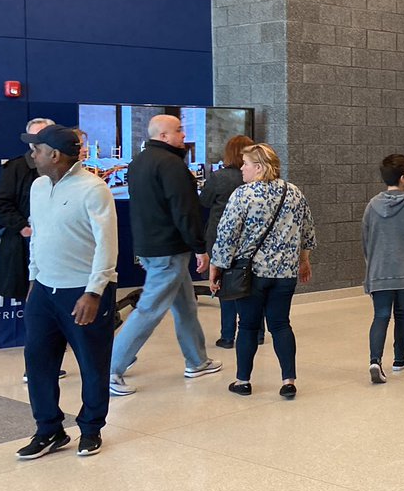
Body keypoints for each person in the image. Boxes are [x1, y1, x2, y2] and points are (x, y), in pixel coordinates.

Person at [15, 125, 118, 459]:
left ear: (55, 155)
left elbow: (107, 245)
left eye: (37, 149)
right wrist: (33, 279)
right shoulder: (38, 186)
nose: (33, 154)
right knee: (38, 362)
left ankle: (91, 429)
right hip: (44, 289)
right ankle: (49, 430)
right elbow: (40, 237)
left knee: (92, 363)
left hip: (83, 291)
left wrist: (94, 292)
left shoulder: (94, 189)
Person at [109, 114, 221, 396]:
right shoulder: (172, 166)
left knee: (185, 306)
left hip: (152, 246)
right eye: (179, 130)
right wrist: (199, 247)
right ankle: (109, 368)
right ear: (163, 135)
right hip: (168, 250)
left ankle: (197, 361)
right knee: (149, 309)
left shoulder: (139, 162)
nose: (184, 135)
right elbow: (185, 211)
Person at [209, 144, 315, 399]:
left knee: (246, 326)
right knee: (280, 325)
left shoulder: (243, 195)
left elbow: (226, 235)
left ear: (258, 167)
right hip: (285, 274)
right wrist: (304, 260)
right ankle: (288, 381)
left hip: (251, 274)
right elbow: (308, 232)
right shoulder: (294, 193)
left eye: (245, 163)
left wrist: (217, 266)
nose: (242, 168)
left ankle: (243, 381)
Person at [0, 118, 69, 383]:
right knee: (35, 307)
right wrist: (23, 227)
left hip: (59, 251)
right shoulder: (16, 168)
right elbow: (1, 205)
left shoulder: (66, 173)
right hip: (26, 250)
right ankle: (36, 367)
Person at [362, 154, 404, 384]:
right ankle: (399, 360)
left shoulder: (372, 205)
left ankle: (375, 360)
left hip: (379, 271)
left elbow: (366, 242)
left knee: (380, 315)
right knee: (403, 314)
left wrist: (370, 272)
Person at [200, 134, 260, 349]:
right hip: (250, 238)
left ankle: (227, 336)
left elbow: (204, 201)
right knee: (252, 283)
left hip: (220, 238)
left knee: (224, 285)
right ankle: (258, 333)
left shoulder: (218, 177)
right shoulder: (257, 178)